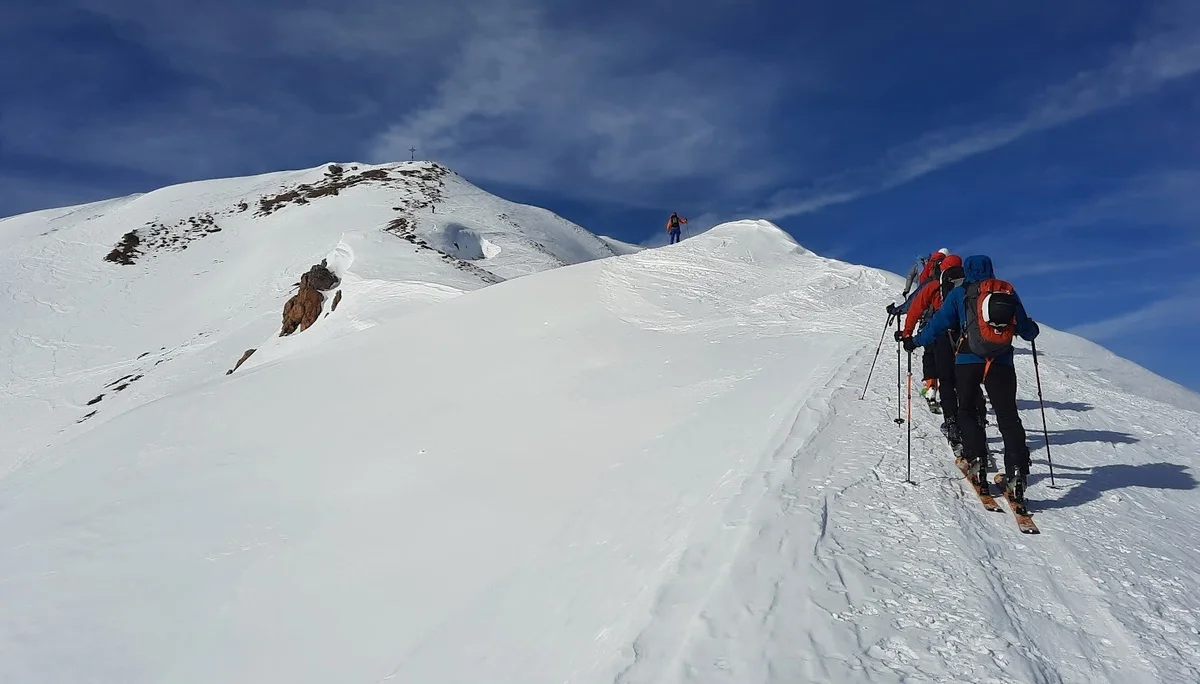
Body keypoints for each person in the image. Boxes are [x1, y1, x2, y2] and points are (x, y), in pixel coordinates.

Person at [903, 255, 1039, 505]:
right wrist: (1032, 330)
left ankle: (977, 461)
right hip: (1001, 362)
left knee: (965, 409)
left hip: (967, 360)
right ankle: (1017, 472)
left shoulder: (960, 293)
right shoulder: (1006, 290)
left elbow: (939, 323)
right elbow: (1025, 329)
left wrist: (914, 341)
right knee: (1008, 416)